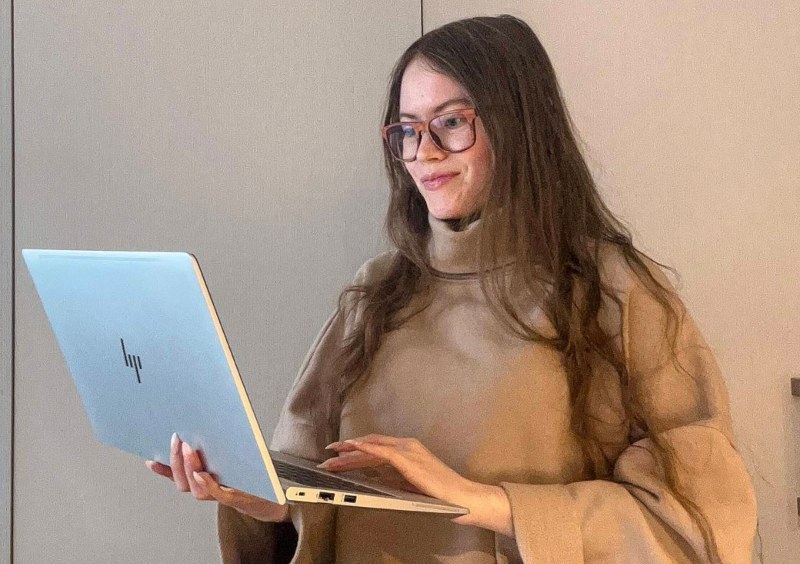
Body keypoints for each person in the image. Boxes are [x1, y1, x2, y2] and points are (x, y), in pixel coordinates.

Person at [146, 15, 757, 563]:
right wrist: (258, 500)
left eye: (452, 122)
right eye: (408, 130)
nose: (425, 153)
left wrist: (484, 502)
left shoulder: (614, 293)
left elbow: (702, 524)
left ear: (519, 126)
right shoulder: (377, 291)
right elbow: (306, 485)